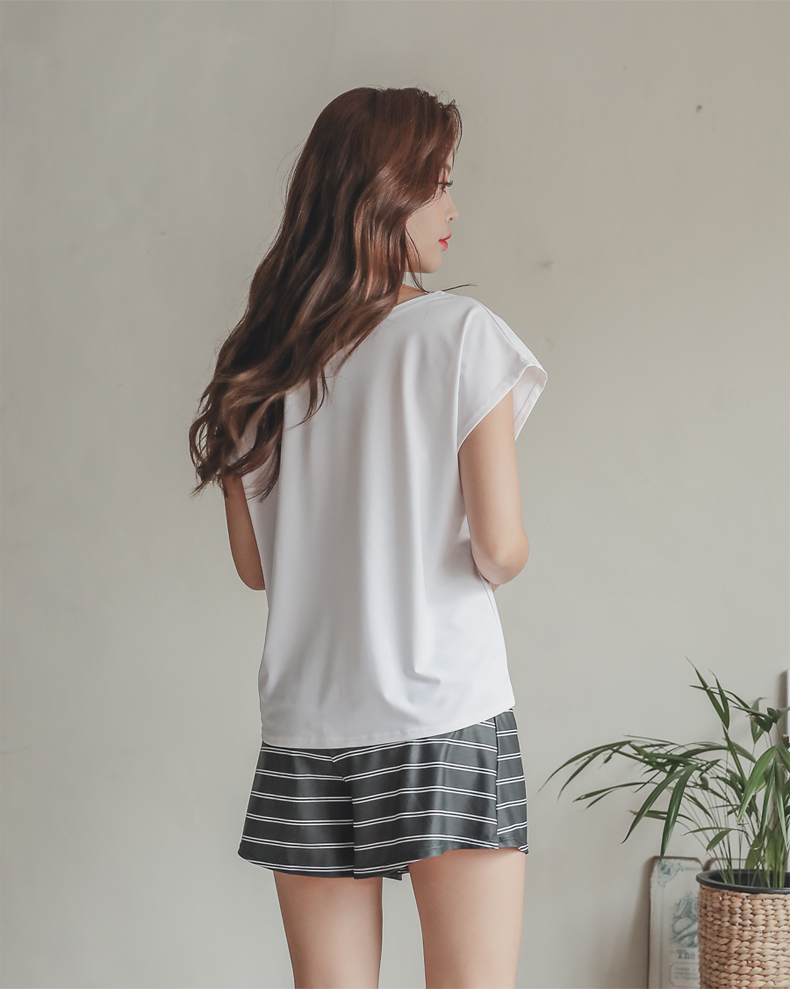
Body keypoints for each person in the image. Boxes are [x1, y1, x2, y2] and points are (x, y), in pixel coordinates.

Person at [189, 86, 548, 989]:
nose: (453, 208)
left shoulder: (258, 365)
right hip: (444, 715)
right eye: (440, 184)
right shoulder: (461, 336)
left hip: (307, 727)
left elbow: (255, 567)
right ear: (385, 193)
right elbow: (500, 548)